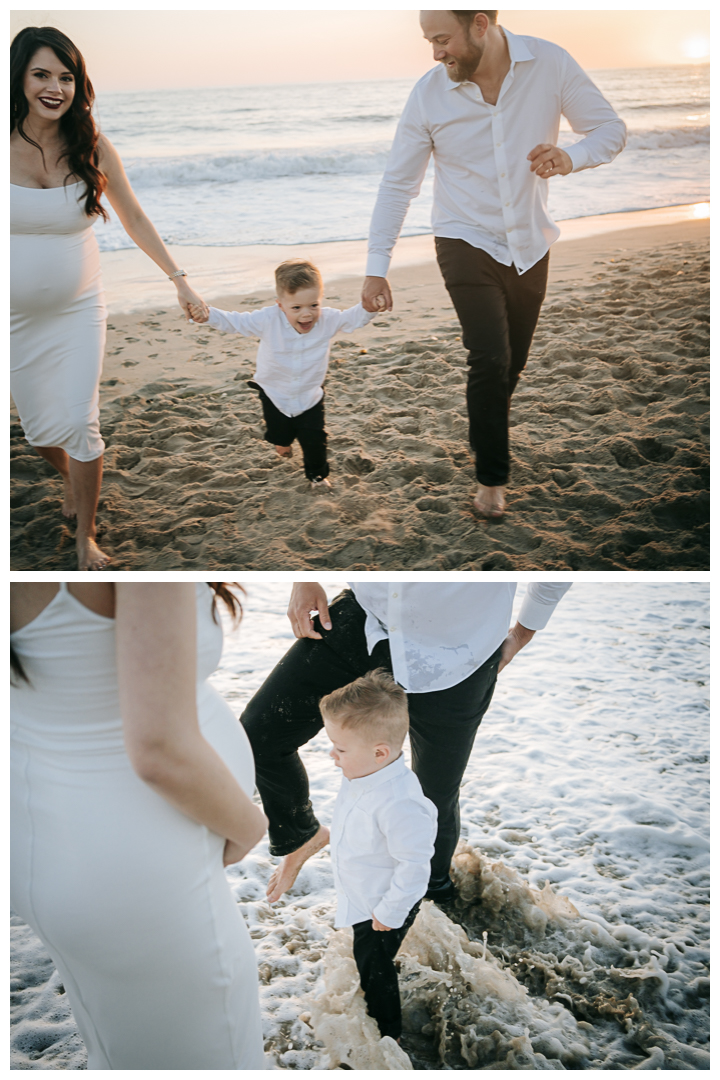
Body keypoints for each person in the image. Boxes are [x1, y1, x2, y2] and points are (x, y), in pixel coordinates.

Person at [361, 10, 627, 519]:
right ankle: (491, 482)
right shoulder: (429, 94)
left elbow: (609, 128)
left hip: (531, 241)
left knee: (512, 365)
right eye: (429, 41)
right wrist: (377, 266)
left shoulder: (550, 63)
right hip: (463, 236)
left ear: (480, 24)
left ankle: (484, 432)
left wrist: (572, 157)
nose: (436, 53)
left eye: (442, 39)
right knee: (489, 357)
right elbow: (399, 183)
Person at [10, 582, 267, 1069]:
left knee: (123, 1051)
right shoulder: (139, 561)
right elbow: (160, 750)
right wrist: (249, 824)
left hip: (44, 836)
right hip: (143, 865)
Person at [10, 27, 209, 570]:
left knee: (80, 420)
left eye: (67, 77)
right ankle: (75, 484)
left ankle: (86, 538)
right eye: (42, 75)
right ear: (19, 78)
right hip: (15, 318)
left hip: (79, 308)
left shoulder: (89, 143)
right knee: (39, 431)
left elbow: (135, 216)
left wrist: (178, 278)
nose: (56, 88)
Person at [240, 580, 571, 905]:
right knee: (257, 738)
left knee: (432, 796)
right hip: (365, 618)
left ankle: (432, 895)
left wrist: (523, 632)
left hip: (459, 653)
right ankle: (301, 835)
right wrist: (304, 577)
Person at [189, 258, 376, 492]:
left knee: (314, 440)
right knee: (280, 435)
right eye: (296, 308)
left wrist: (371, 306)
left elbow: (354, 317)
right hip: (274, 394)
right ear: (280, 305)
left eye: (313, 305)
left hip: (310, 397)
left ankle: (317, 477)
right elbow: (235, 321)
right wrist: (206, 315)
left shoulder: (328, 320)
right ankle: (282, 443)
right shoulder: (268, 319)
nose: (307, 314)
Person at [321, 670, 437, 1042]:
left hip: (383, 904)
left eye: (339, 749)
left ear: (380, 752)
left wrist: (390, 911)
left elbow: (415, 865)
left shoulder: (399, 802)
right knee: (368, 959)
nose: (332, 755)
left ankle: (387, 1036)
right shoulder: (364, 771)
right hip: (364, 891)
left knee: (374, 966)